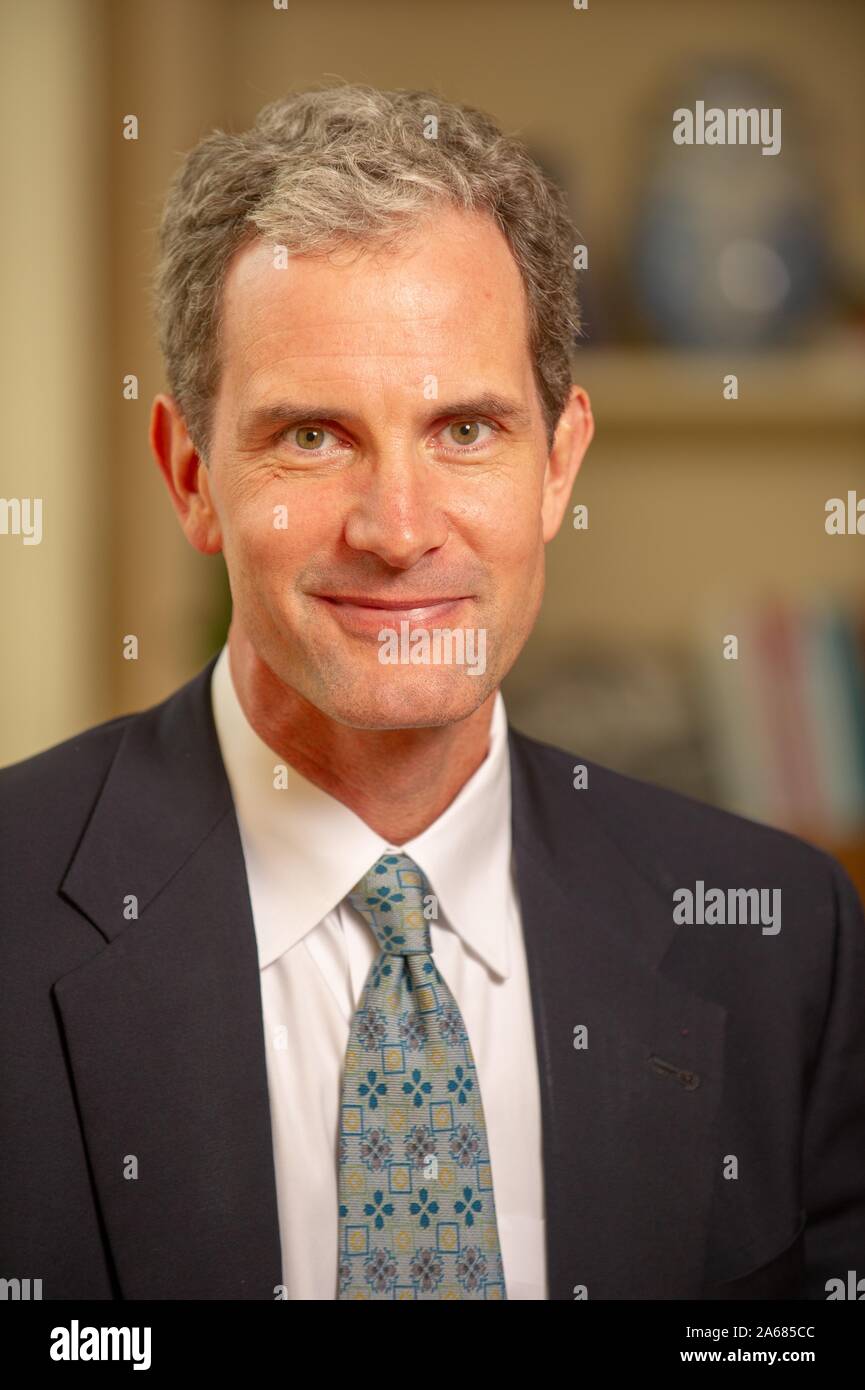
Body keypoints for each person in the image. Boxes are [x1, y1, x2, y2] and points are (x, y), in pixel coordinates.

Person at [1, 84, 863, 1301]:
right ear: (190, 474)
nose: (398, 531)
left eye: (465, 429)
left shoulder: (786, 944)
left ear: (558, 463)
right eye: (312, 436)